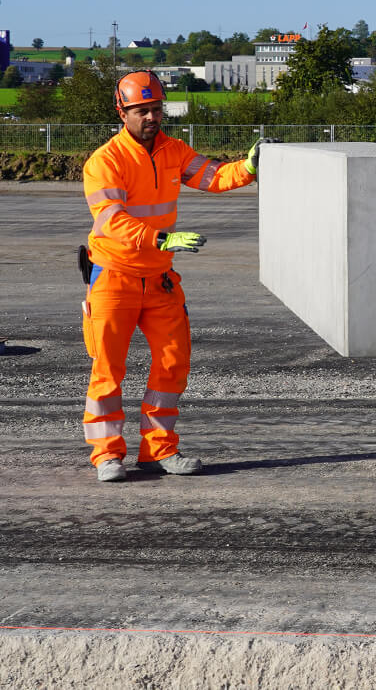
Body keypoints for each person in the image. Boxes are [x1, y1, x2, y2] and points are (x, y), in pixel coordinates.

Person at [80, 71, 261, 483]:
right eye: (142, 110)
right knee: (108, 369)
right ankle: (107, 455)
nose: (151, 117)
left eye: (157, 109)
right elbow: (111, 221)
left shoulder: (173, 149)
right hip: (114, 277)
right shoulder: (105, 162)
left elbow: (211, 176)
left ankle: (158, 450)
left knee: (172, 363)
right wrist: (161, 238)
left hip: (158, 278)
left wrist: (248, 167)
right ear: (121, 111)